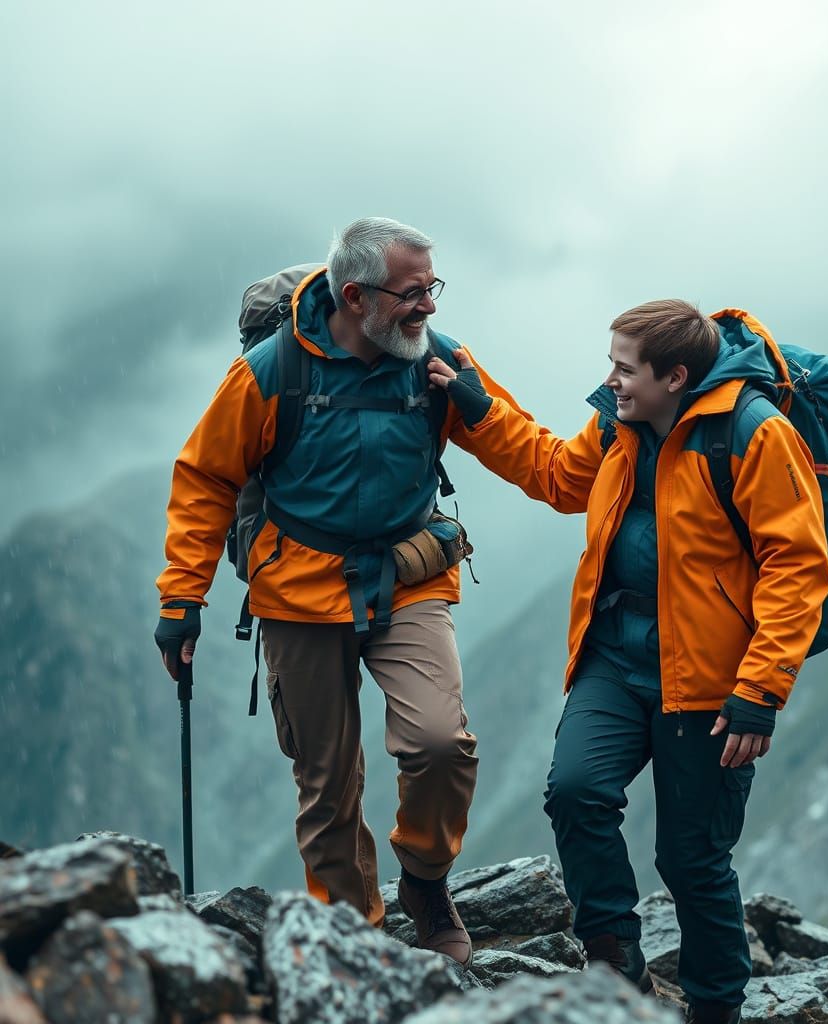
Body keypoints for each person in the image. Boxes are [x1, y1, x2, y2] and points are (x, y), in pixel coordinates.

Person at [429, 300, 828, 1022]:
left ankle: (715, 1011)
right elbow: (556, 476)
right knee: (576, 791)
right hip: (614, 657)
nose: (609, 379)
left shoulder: (753, 434)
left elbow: (797, 567)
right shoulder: (617, 426)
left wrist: (760, 690)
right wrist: (475, 407)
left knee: (692, 862)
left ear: (675, 377)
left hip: (713, 684)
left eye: (624, 368)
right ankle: (615, 962)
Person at [153, 217, 530, 967]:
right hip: (297, 587)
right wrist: (179, 601)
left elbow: (529, 454)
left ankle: (425, 880)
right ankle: (351, 942)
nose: (429, 307)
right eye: (413, 292)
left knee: (438, 744)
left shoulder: (440, 365)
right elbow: (206, 480)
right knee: (327, 785)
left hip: (407, 576)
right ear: (354, 296)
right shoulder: (271, 371)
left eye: (434, 287)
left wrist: (619, 448)